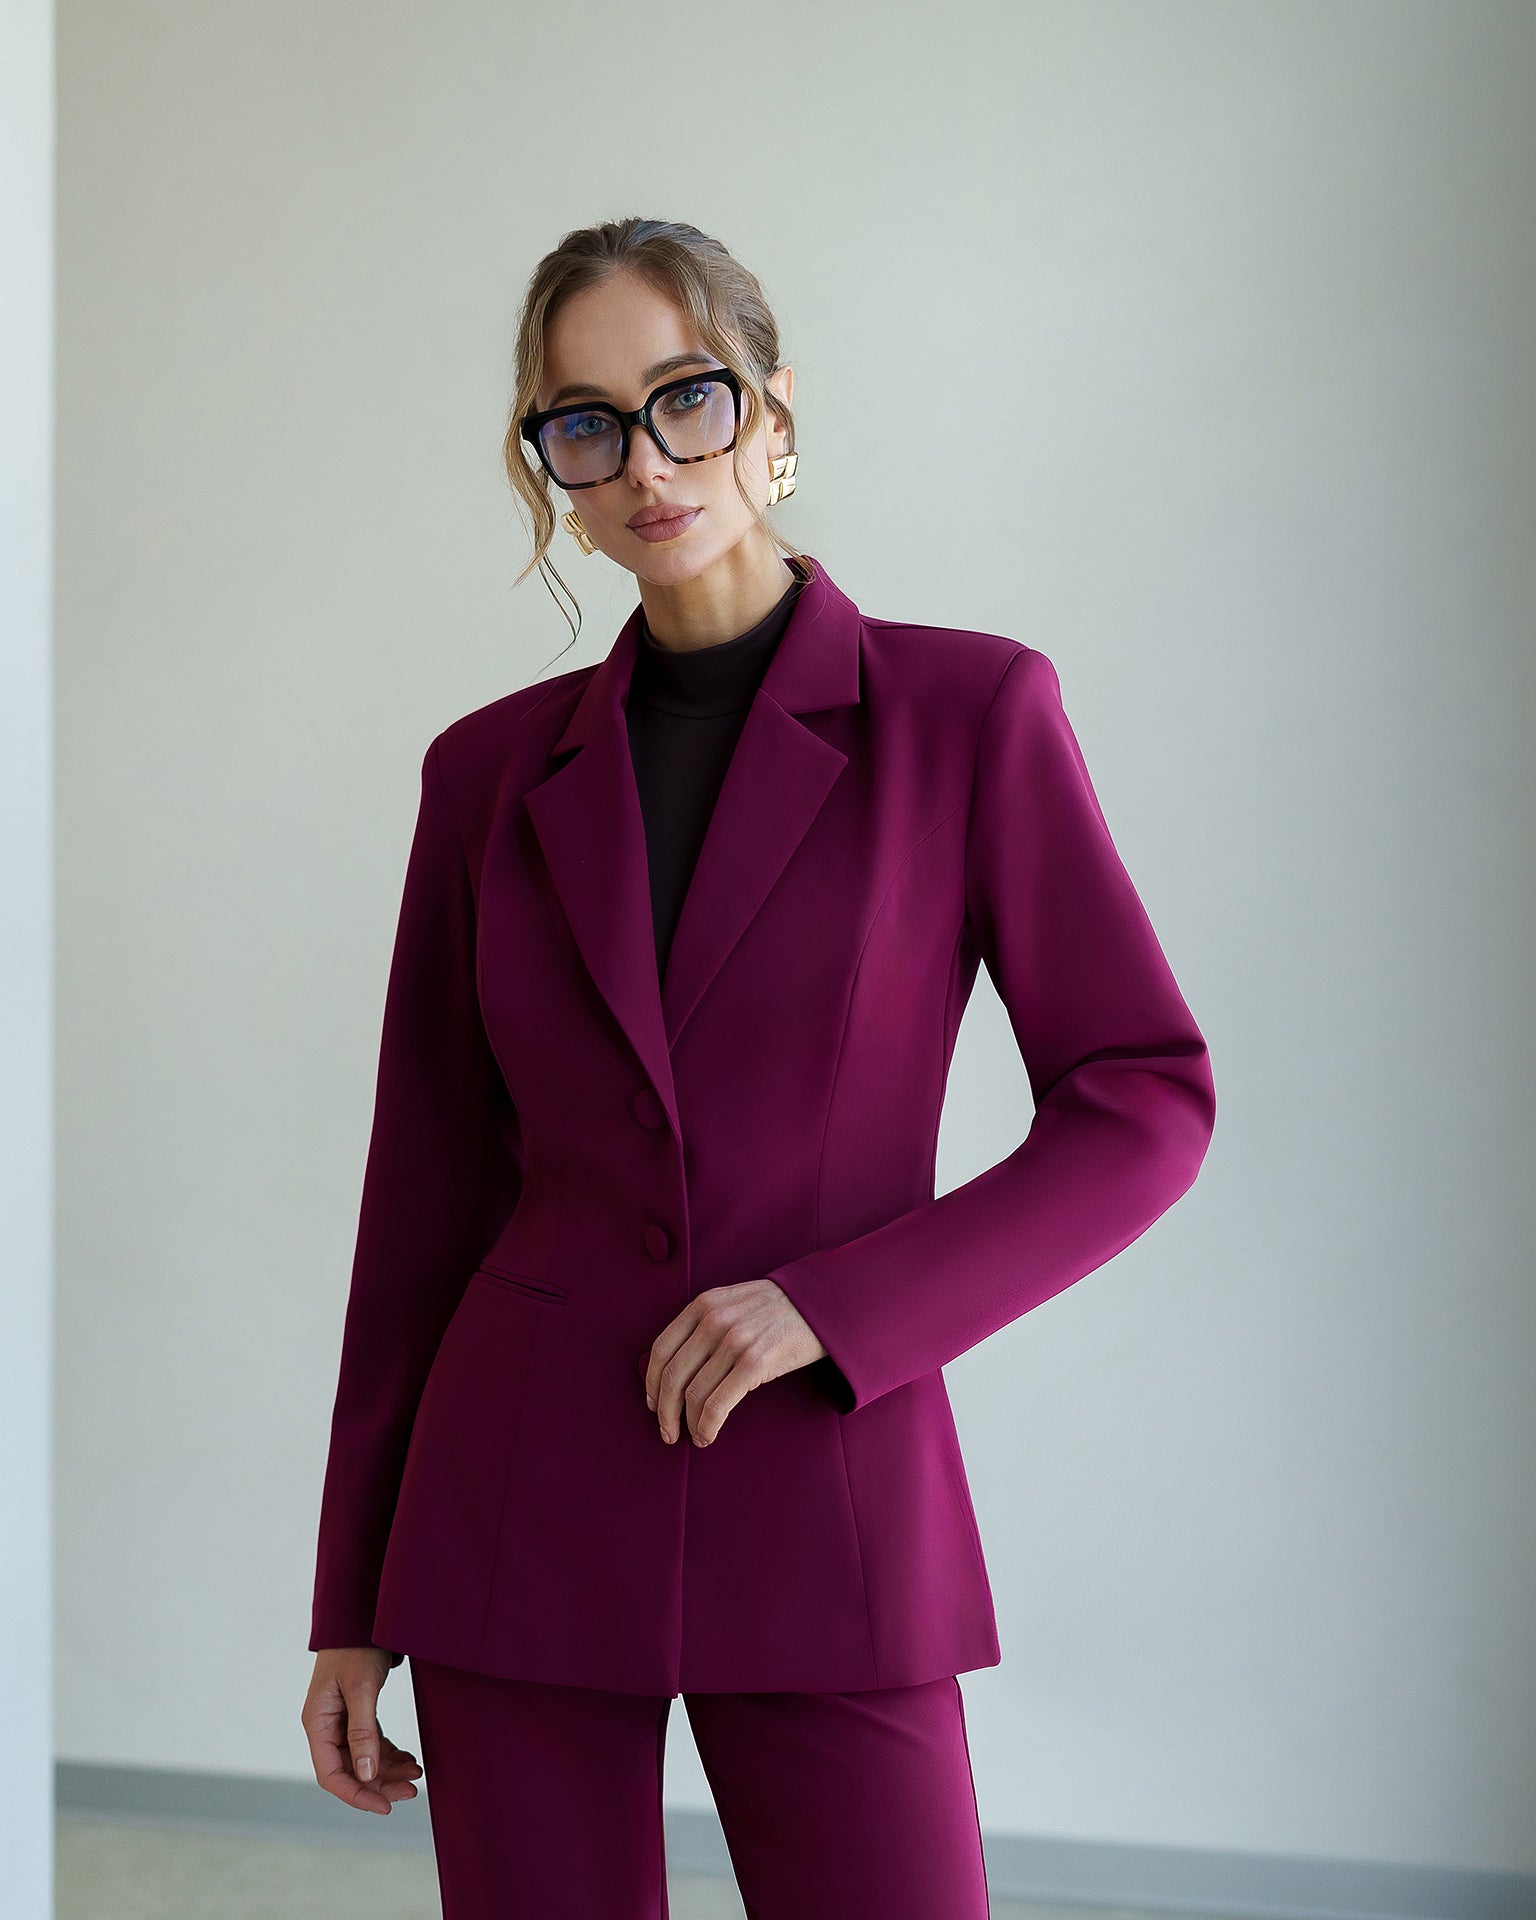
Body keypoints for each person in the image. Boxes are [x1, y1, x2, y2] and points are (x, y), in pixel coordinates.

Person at [299, 215, 1216, 1919]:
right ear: (550, 466)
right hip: (514, 1507)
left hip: (827, 1480)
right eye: (586, 424)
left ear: (773, 410)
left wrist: (839, 1309)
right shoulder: (485, 776)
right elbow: (421, 1199)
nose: (645, 463)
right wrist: (350, 1599)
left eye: (685, 399)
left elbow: (1143, 1099)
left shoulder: (968, 716)